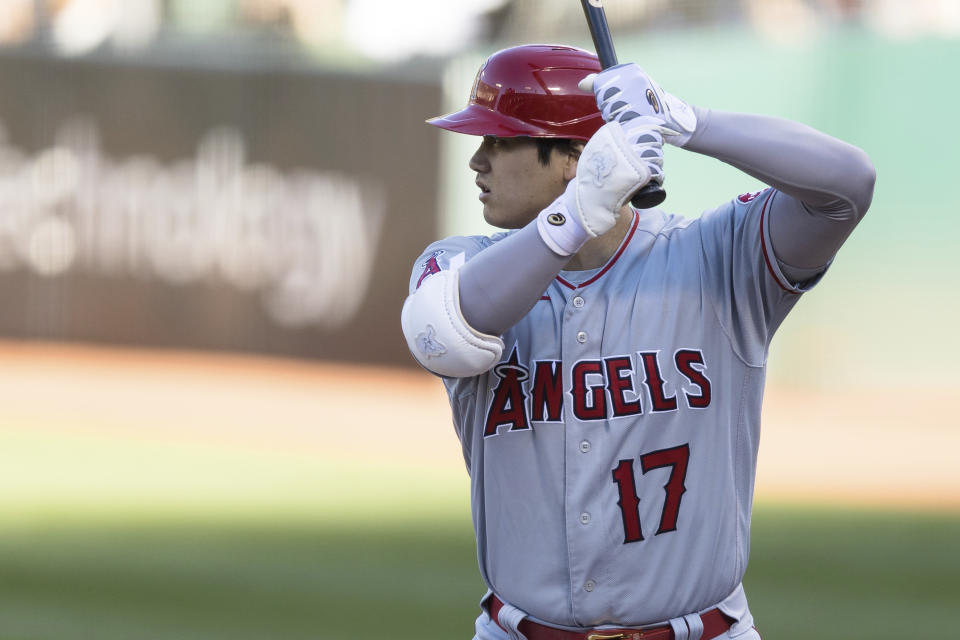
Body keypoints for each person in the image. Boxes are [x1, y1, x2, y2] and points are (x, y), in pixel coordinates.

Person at [400, 44, 875, 640]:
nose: (477, 160)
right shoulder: (458, 265)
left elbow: (849, 186)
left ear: (575, 155)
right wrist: (575, 214)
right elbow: (442, 335)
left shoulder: (717, 258)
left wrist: (684, 121)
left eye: (501, 140)